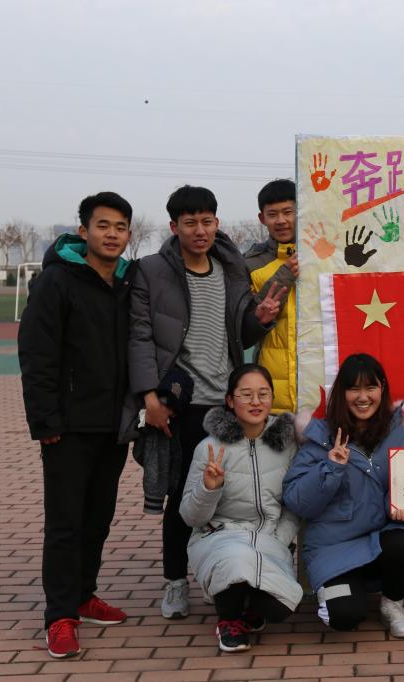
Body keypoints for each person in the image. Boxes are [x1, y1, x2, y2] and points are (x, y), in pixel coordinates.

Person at [123, 185, 287, 621]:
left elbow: (241, 334)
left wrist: (259, 320)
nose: (200, 230)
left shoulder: (231, 268)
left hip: (227, 404)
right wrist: (149, 397)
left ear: (217, 223)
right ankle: (176, 582)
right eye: (190, 222)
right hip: (182, 405)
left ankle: (228, 571)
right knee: (183, 494)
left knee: (231, 492)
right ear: (174, 227)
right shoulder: (151, 271)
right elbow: (139, 336)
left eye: (207, 221)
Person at [18, 192, 136, 658]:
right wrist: (44, 418)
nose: (112, 234)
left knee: (98, 518)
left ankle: (84, 595)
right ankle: (60, 616)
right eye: (103, 225)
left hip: (113, 424)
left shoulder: (127, 281)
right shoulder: (56, 281)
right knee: (65, 523)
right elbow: (36, 353)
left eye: (120, 227)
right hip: (67, 426)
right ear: (83, 231)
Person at [283, 354, 404, 637]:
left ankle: (392, 602)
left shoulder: (401, 434)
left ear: (382, 389)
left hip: (380, 540)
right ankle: (348, 588)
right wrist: (330, 467)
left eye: (370, 387)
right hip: (334, 548)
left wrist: (402, 506)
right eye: (353, 388)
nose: (363, 397)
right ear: (341, 393)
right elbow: (297, 500)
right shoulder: (319, 437)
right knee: (344, 617)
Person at [179, 364, 302, 653]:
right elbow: (190, 516)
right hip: (220, 538)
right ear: (230, 400)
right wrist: (209, 487)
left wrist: (280, 538)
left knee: (281, 607)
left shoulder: (288, 444)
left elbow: (294, 505)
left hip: (269, 539)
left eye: (263, 394)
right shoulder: (209, 448)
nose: (256, 402)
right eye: (246, 394)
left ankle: (245, 603)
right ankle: (230, 619)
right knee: (236, 558)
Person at [246, 179, 299, 413]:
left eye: (288, 212)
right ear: (262, 218)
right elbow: (247, 324)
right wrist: (285, 274)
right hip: (272, 390)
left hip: (322, 386)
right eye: (273, 214)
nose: (281, 221)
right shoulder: (250, 263)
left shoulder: (327, 253)